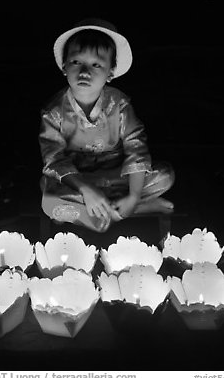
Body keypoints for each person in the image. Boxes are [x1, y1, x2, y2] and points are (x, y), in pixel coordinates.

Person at [39, 19, 175, 232]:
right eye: (76, 62)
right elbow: (53, 158)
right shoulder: (54, 112)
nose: (85, 72)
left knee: (165, 175)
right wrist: (86, 190)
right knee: (49, 199)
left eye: (96, 65)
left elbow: (136, 147)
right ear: (64, 66)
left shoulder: (119, 105)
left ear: (110, 72)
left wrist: (134, 194)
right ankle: (130, 210)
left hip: (116, 175)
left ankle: (128, 205)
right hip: (80, 180)